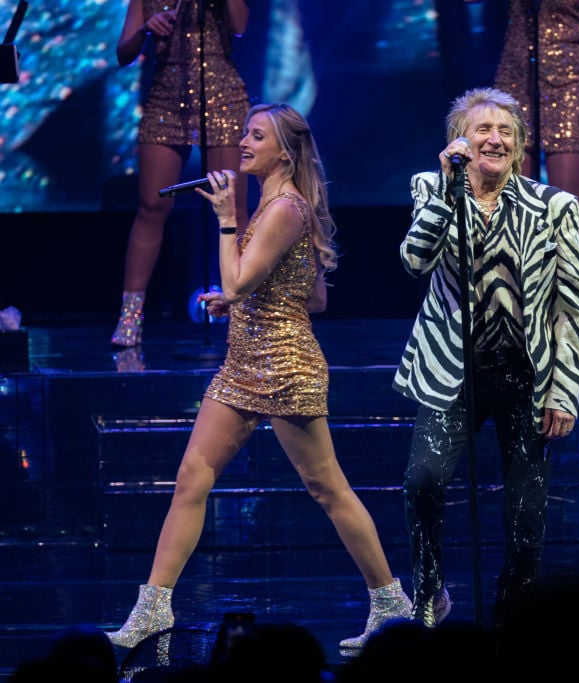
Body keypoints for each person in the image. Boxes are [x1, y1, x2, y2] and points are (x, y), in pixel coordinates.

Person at [105, 103, 412, 655]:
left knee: (327, 487)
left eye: (256, 135)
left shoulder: (285, 207)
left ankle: (391, 604)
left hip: (285, 366)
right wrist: (240, 303)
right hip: (243, 363)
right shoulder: (281, 205)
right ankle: (152, 610)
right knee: (191, 477)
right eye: (245, 132)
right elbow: (311, 296)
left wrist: (227, 222)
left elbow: (242, 279)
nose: (242, 142)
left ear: (285, 151)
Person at [393, 87, 579, 629]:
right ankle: (430, 593)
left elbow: (574, 302)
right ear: (458, 140)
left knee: (526, 512)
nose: (495, 139)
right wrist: (449, 190)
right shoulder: (432, 189)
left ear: (521, 146)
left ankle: (514, 616)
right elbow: (415, 260)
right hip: (453, 369)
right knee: (423, 481)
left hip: (526, 374)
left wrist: (564, 390)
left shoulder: (553, 206)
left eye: (506, 131)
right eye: (482, 128)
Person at [110, 0, 251, 347]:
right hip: (166, 96)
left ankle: (246, 311)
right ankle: (130, 318)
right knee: (152, 206)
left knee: (232, 206)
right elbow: (123, 53)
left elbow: (240, 25)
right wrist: (147, 27)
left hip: (222, 96)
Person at [491, 0, 579, 288]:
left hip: (568, 78)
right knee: (515, 197)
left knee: (569, 197)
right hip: (515, 76)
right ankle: (517, 298)